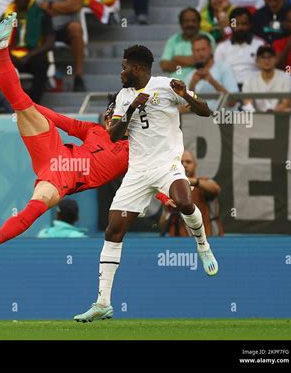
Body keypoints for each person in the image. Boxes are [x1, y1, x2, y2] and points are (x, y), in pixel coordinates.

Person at [0, 13, 174, 271]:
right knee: (19, 99)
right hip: (53, 153)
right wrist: (27, 107)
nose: (110, 118)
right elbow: (57, 119)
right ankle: (1, 47)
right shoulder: (93, 130)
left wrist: (167, 200)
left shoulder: (134, 151)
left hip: (63, 179)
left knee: (33, 209)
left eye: (116, 115)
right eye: (109, 114)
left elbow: (148, 180)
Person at [74, 45, 217, 323]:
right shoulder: (122, 97)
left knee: (185, 201)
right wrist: (130, 109)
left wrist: (185, 94)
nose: (121, 72)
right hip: (138, 171)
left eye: (124, 67)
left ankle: (202, 245)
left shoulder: (167, 86)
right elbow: (113, 136)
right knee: (113, 229)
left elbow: (206, 110)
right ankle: (103, 302)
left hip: (167, 164)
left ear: (138, 68)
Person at [4, 0, 55, 103]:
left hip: (32, 55)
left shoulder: (42, 14)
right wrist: (9, 55)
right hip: (11, 55)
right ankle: (7, 103)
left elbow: (50, 42)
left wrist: (30, 55)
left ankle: (33, 104)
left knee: (42, 64)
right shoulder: (6, 15)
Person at [160, 150, 224, 237]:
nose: (184, 165)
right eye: (181, 162)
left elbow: (215, 189)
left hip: (209, 240)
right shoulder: (170, 189)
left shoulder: (204, 182)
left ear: (195, 165)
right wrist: (169, 212)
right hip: (179, 244)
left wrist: (188, 180)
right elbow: (162, 225)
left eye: (188, 162)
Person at [36, 0, 87, 91]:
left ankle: (78, 76)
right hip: (44, 25)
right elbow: (39, 7)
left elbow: (75, 6)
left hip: (66, 25)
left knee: (75, 28)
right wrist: (65, 5)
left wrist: (50, 5)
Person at [214, 7, 265, 89]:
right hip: (229, 91)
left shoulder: (260, 44)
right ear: (230, 25)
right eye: (236, 24)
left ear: (250, 25)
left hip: (255, 89)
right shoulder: (221, 47)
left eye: (244, 24)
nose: (240, 27)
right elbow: (217, 73)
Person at [160, 7, 216, 82]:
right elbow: (164, 66)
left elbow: (211, 61)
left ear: (199, 23)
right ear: (181, 24)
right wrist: (195, 62)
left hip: (202, 85)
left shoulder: (208, 38)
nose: (190, 24)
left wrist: (177, 58)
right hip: (177, 86)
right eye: (186, 21)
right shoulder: (172, 40)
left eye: (193, 21)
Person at [185, 34, 239, 111]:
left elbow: (232, 102)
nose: (200, 53)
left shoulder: (225, 68)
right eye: (197, 50)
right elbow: (185, 108)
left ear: (210, 49)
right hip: (199, 120)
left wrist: (212, 81)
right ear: (193, 52)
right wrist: (192, 85)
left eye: (203, 49)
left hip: (225, 118)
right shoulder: (190, 76)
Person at [242, 45, 291, 111]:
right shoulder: (249, 79)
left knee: (286, 110)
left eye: (270, 57)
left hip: (279, 116)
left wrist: (272, 112)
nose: (266, 61)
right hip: (257, 117)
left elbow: (286, 103)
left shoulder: (286, 77)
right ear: (257, 61)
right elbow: (248, 103)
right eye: (263, 57)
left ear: (276, 59)